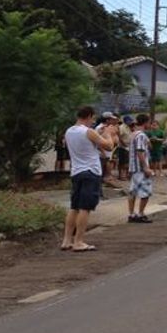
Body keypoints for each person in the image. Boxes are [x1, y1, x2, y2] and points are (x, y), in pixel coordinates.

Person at [60, 105, 116, 251]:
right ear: (89, 116)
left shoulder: (69, 131)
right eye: (93, 118)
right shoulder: (88, 131)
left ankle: (67, 240)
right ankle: (79, 241)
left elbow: (87, 146)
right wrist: (108, 134)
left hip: (76, 171)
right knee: (85, 208)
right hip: (91, 171)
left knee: (74, 207)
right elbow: (109, 147)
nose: (93, 121)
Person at [117, 115, 133, 181]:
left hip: (128, 147)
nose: (131, 122)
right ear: (126, 121)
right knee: (123, 162)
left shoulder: (128, 127)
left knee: (127, 161)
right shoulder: (122, 127)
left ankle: (126, 175)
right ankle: (121, 175)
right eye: (130, 120)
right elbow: (119, 136)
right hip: (123, 147)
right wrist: (124, 144)